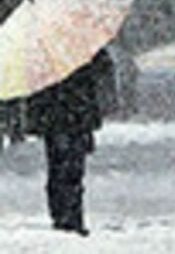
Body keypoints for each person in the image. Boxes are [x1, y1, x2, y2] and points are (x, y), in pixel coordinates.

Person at [24, 47, 115, 236]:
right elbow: (102, 69)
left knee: (60, 165)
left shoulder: (41, 46)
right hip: (74, 112)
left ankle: (63, 213)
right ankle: (70, 214)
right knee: (70, 166)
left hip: (59, 113)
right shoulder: (81, 42)